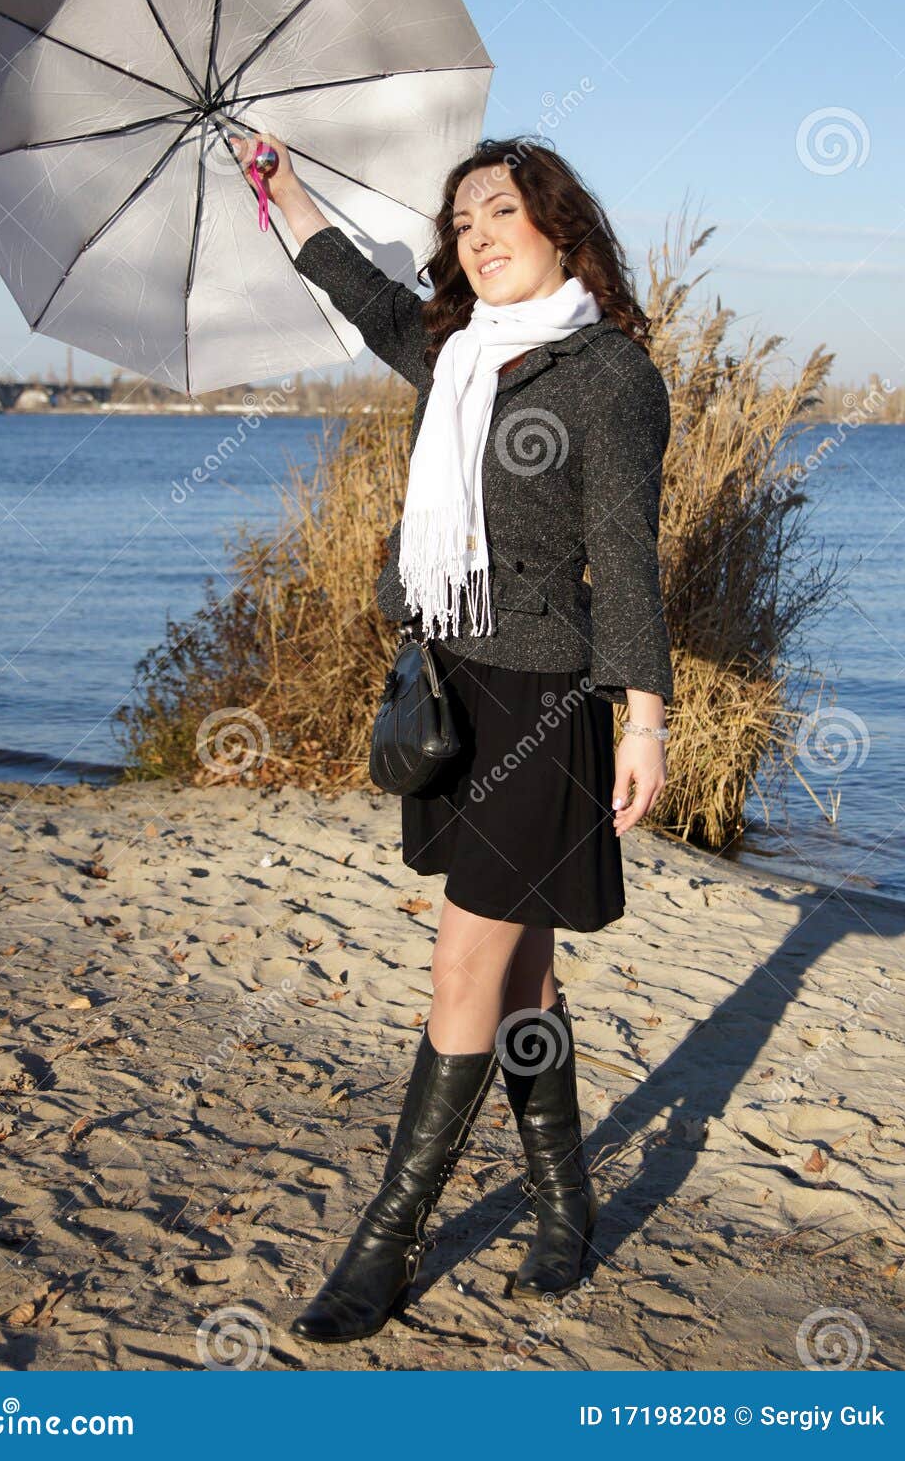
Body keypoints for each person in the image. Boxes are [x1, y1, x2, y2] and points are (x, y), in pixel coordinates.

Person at [233, 131, 673, 1346]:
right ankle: (566, 1202)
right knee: (521, 972)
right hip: (451, 683)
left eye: (501, 215)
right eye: (461, 223)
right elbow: (364, 291)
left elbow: (625, 555)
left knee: (461, 967)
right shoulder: (456, 351)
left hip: (544, 700)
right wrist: (286, 192)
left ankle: (389, 1237)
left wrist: (645, 718)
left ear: (561, 230)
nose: (477, 238)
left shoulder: (608, 375)